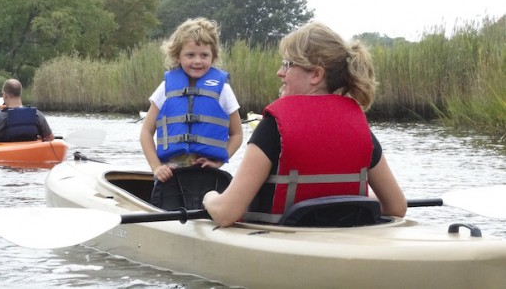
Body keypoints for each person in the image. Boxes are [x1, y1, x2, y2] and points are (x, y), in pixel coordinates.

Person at [203, 21, 407, 227]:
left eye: (287, 64)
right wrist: (360, 204)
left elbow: (226, 213)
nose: (280, 72)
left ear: (316, 75)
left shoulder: (273, 127)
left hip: (283, 246)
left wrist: (209, 197)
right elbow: (396, 207)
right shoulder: (359, 126)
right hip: (347, 243)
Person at [140, 17, 243, 183]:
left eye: (204, 55)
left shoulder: (223, 89)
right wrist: (156, 167)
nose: (197, 61)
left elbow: (237, 134)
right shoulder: (166, 88)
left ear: (213, 56)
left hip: (206, 176)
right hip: (170, 178)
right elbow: (146, 133)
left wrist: (219, 162)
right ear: (177, 56)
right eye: (190, 55)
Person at [0, 78, 55, 147]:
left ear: (4, 95)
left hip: (4, 151)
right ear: (20, 94)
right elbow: (51, 138)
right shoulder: (36, 114)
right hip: (28, 150)